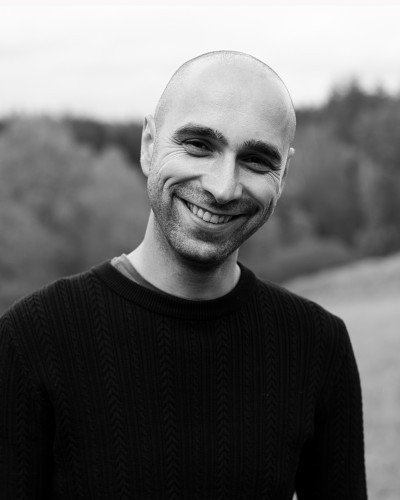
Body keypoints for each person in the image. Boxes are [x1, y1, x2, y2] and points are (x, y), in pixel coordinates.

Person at [0, 51, 367, 499]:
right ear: (149, 145)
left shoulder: (318, 345)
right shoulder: (31, 338)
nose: (222, 187)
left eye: (256, 160)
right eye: (198, 145)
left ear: (283, 175)